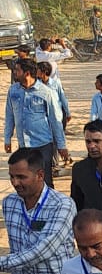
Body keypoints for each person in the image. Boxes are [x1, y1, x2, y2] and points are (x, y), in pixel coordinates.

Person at [4, 58, 70, 187]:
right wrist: (7, 138)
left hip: (43, 144)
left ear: (27, 73)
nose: (14, 73)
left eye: (17, 70)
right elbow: (9, 115)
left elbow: (55, 120)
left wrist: (62, 145)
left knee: (45, 181)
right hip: (23, 145)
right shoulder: (13, 91)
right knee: (25, 181)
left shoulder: (46, 92)